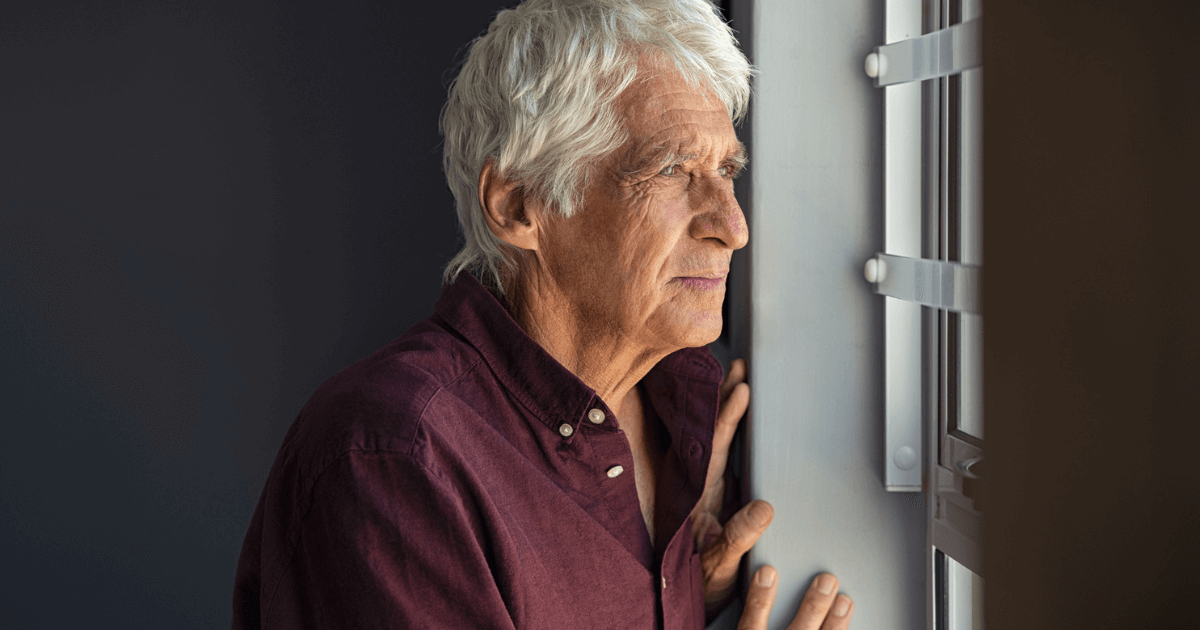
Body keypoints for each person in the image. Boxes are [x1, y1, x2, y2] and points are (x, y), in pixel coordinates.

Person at [232, 0, 854, 628]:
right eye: (672, 170)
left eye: (725, 171)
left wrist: (695, 599)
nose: (734, 226)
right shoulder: (395, 457)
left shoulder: (680, 412)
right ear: (519, 205)